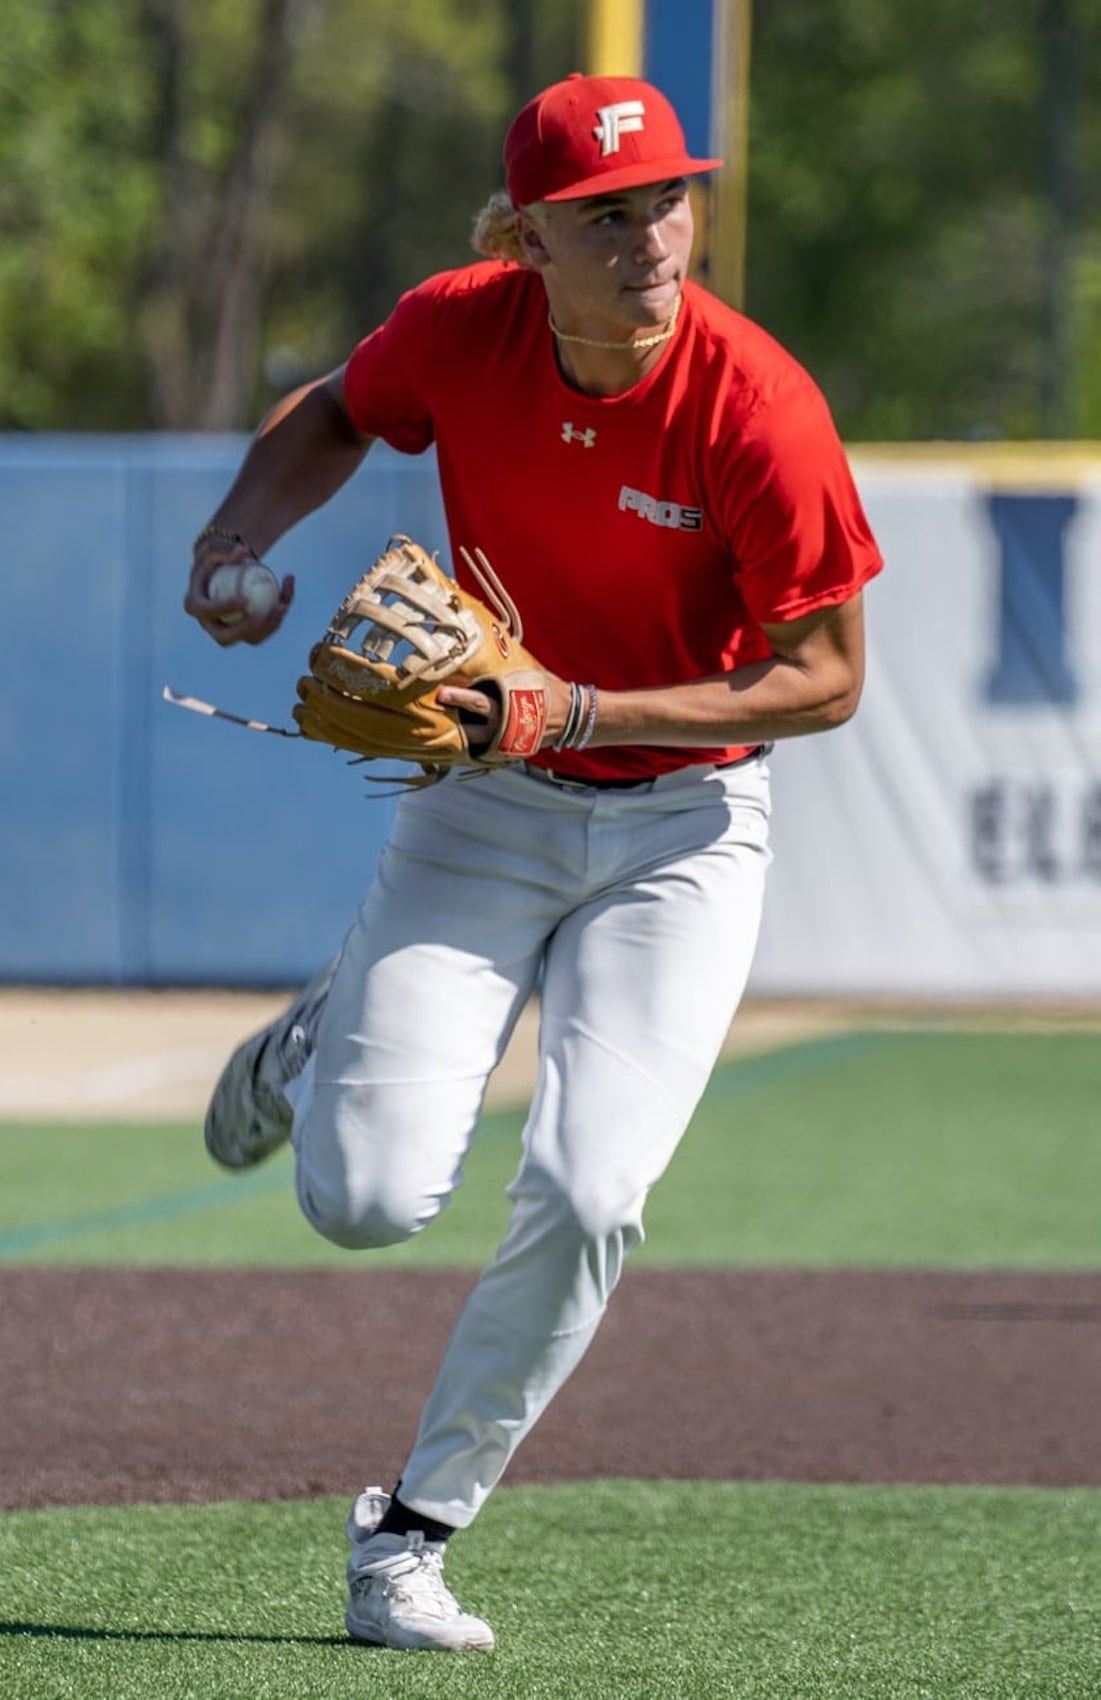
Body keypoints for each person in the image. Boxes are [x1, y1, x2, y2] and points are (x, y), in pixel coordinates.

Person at [185, 72, 882, 1653]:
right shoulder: (462, 326)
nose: (650, 234)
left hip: (685, 827)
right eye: (606, 213)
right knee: (363, 1205)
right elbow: (341, 408)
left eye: (667, 200)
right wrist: (234, 546)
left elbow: (825, 676)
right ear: (526, 236)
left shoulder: (752, 404)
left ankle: (410, 1536)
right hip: (484, 802)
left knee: (589, 1186)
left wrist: (584, 702)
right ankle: (322, 1035)